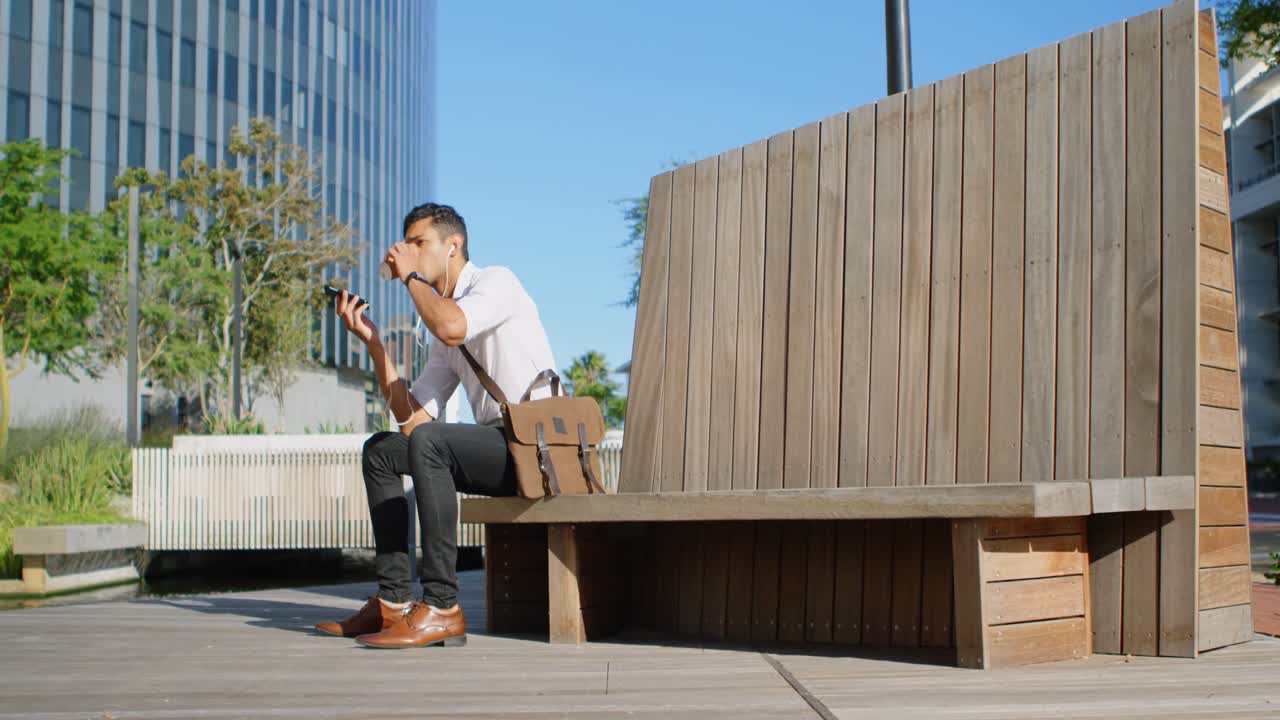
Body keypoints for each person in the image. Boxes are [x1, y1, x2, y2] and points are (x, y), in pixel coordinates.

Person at [315, 203, 559, 649]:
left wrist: (409, 278)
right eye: (405, 244)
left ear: (454, 246)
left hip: (537, 451)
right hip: (500, 448)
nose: (408, 252)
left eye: (418, 243)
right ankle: (393, 603)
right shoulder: (441, 321)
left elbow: (451, 327)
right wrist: (374, 343)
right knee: (381, 450)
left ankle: (443, 606)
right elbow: (414, 419)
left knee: (430, 442)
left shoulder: (496, 283)